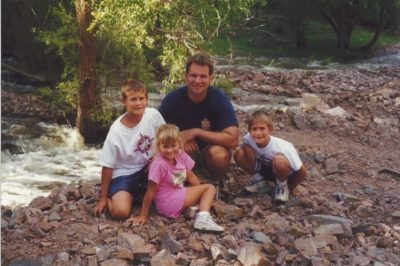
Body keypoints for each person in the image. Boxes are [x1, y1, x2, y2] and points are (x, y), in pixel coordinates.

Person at [128, 124, 224, 232]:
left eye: (173, 145)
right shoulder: (158, 164)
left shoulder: (180, 154)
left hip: (177, 193)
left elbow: (191, 177)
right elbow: (151, 191)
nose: (170, 150)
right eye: (165, 146)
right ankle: (203, 219)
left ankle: (199, 210)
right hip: (167, 201)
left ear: (179, 144)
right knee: (209, 188)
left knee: (203, 191)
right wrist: (143, 215)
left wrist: (199, 196)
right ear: (159, 146)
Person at [158, 53, 239, 180]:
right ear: (186, 76)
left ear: (210, 79)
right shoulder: (172, 100)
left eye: (203, 76)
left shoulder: (219, 100)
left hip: (209, 151)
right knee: (168, 151)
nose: (197, 81)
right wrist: (180, 140)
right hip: (181, 151)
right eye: (193, 75)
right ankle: (180, 184)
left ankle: (214, 182)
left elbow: (233, 140)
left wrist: (195, 132)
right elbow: (157, 134)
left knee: (219, 155)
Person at [93, 80, 165, 219]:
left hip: (149, 167)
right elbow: (107, 166)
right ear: (124, 101)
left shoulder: (153, 115)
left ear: (147, 100)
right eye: (133, 99)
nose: (138, 103)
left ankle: (139, 194)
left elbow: (165, 139)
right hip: (124, 173)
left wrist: (156, 159)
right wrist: (103, 197)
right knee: (120, 212)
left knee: (170, 196)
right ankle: (119, 196)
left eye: (141, 98)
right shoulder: (116, 131)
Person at [234, 110, 307, 203]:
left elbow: (303, 172)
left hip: (287, 174)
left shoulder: (283, 147)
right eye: (254, 129)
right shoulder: (248, 138)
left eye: (262, 128)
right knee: (239, 153)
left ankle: (282, 187)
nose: (258, 133)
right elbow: (243, 145)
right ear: (249, 130)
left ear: (270, 129)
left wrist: (291, 187)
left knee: (279, 160)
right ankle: (261, 182)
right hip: (268, 170)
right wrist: (245, 147)